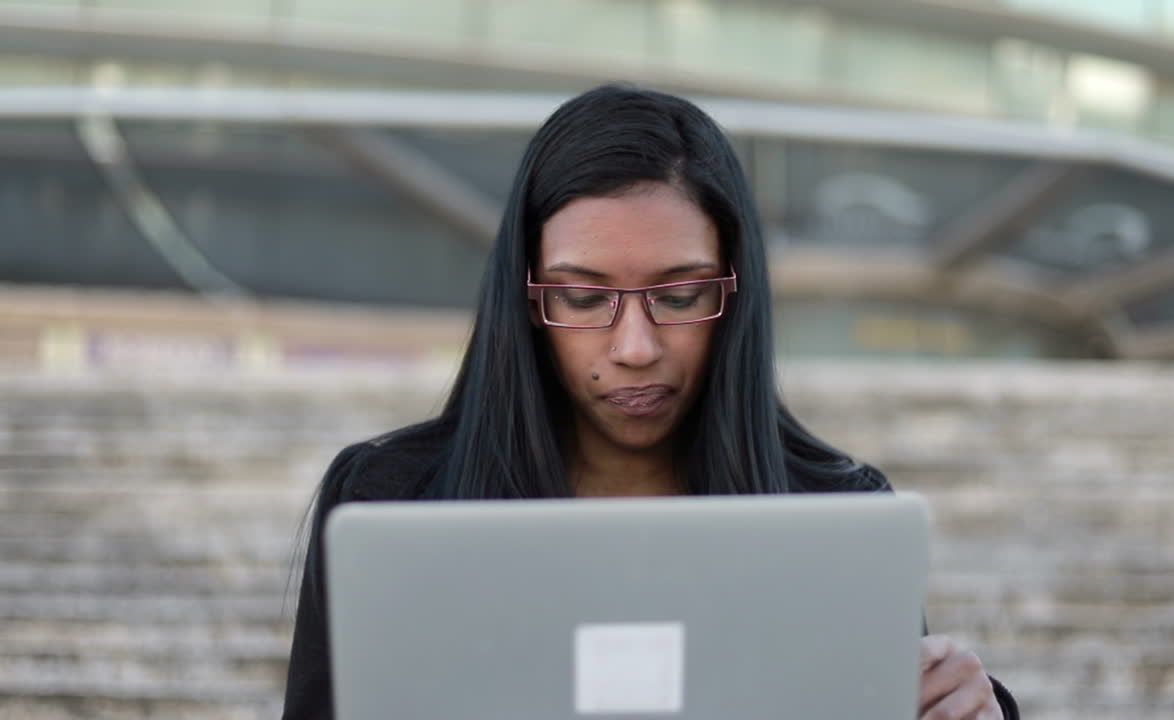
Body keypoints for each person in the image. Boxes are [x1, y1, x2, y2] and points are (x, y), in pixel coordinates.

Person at [283, 84, 1019, 720]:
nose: (634, 346)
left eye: (679, 294)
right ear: (524, 297)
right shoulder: (389, 502)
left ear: (736, 295)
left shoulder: (841, 516)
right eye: (580, 296)